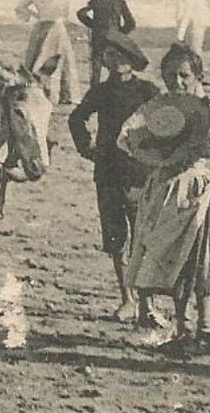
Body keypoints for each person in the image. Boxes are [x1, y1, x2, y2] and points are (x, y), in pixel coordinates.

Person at [117, 44, 210, 358]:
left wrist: (187, 149)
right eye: (170, 76)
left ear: (197, 76)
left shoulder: (209, 109)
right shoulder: (158, 107)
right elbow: (128, 136)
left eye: (183, 75)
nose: (177, 82)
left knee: (199, 261)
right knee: (173, 261)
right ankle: (183, 328)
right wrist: (151, 150)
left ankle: (205, 330)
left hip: (194, 189)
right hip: (163, 188)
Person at [67, 29, 159, 325]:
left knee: (144, 238)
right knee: (116, 238)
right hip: (107, 172)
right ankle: (127, 299)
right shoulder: (100, 92)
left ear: (133, 61)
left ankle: (147, 303)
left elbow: (167, 124)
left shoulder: (148, 92)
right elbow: (76, 118)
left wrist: (156, 155)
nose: (117, 60)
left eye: (123, 56)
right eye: (110, 55)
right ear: (104, 60)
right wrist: (86, 146)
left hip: (140, 174)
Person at [14, 0, 81, 105]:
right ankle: (64, 95)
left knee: (36, 59)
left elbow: (20, 8)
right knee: (62, 60)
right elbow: (67, 14)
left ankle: (36, 92)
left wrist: (35, 15)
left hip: (42, 27)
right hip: (58, 28)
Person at [76, 0, 137, 87]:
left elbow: (81, 13)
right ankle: (114, 94)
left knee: (96, 66)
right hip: (114, 37)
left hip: (98, 36)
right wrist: (120, 33)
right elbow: (131, 23)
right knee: (114, 65)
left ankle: (94, 95)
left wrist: (93, 25)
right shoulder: (120, 2)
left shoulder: (96, 1)